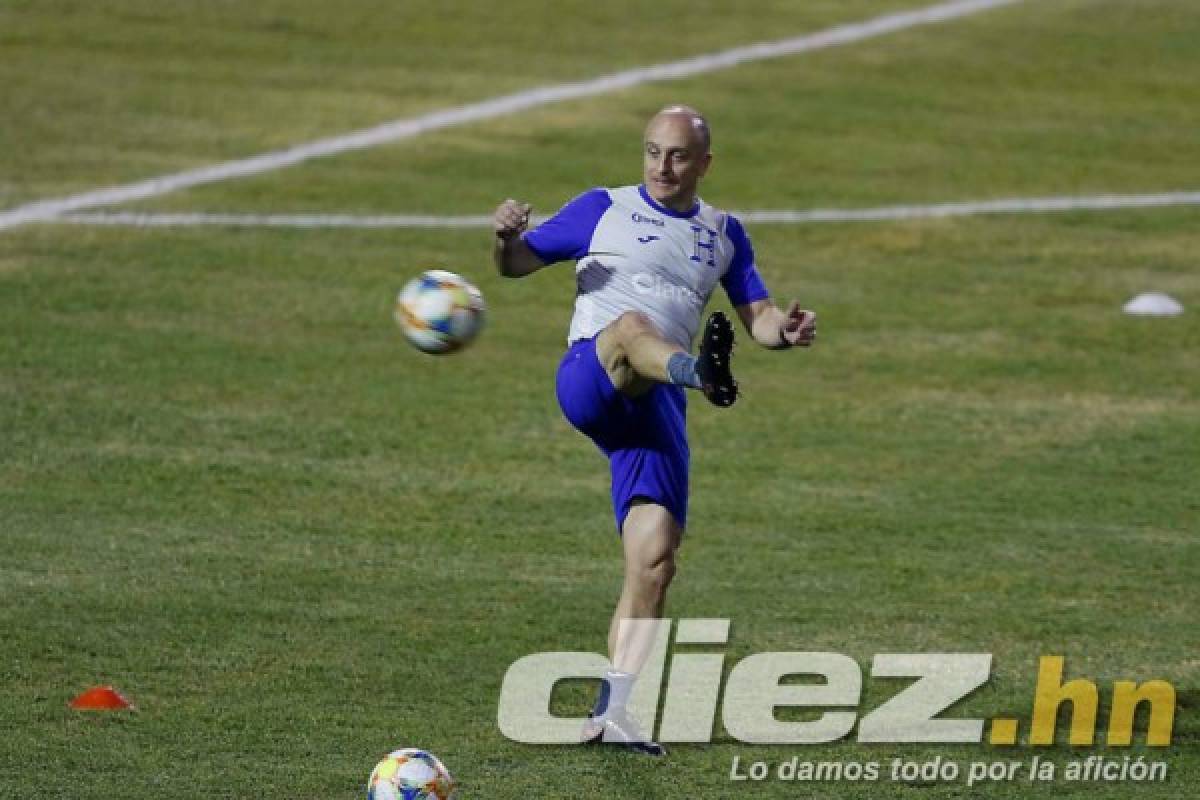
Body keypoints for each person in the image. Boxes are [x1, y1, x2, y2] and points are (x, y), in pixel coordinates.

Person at [492, 105, 816, 755]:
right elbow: (519, 264)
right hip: (594, 371)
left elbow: (757, 316)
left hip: (657, 408)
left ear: (704, 163)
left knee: (655, 561)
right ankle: (701, 371)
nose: (661, 167)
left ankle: (613, 714)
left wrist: (785, 332)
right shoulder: (601, 208)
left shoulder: (723, 234)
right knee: (635, 327)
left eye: (676, 156)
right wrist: (505, 237)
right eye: (652, 152)